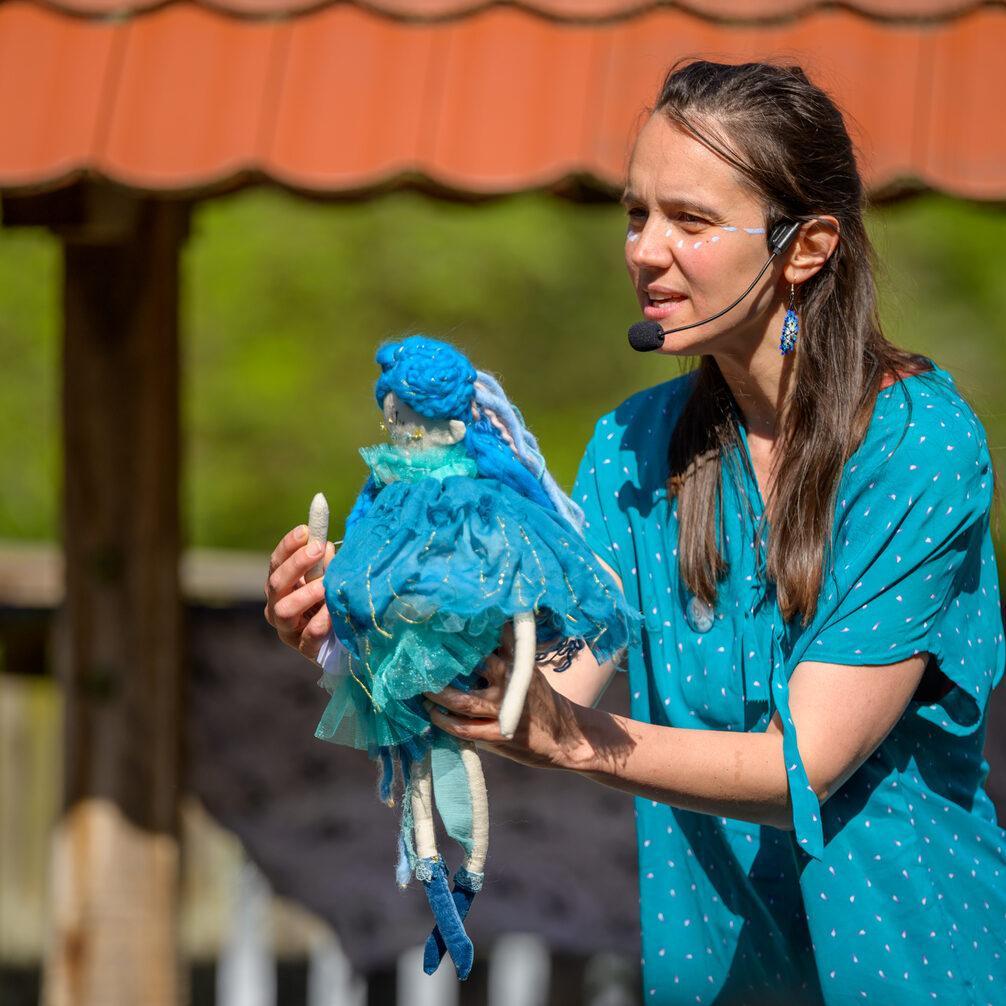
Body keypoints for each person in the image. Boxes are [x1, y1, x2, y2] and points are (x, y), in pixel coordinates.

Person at [264, 59, 1006, 1005]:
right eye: (635, 214)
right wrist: (372, 626)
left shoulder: (920, 447)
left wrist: (569, 739)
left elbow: (804, 765)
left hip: (924, 971)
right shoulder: (630, 449)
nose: (646, 251)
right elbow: (550, 672)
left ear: (808, 246)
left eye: (690, 221)